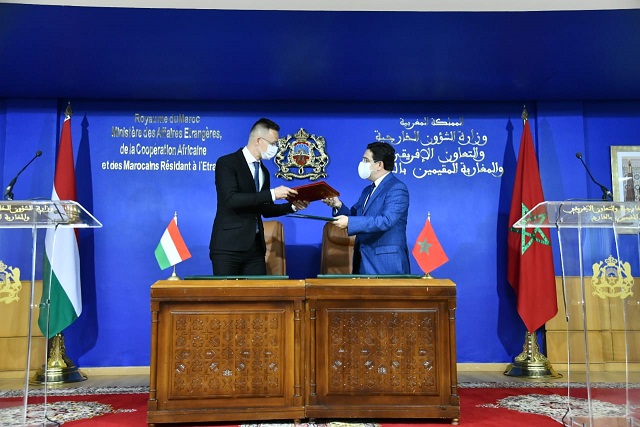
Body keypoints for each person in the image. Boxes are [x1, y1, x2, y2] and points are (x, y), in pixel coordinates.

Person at [209, 118, 308, 276]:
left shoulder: (264, 172)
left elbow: (265, 209)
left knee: (258, 292)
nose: (276, 148)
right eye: (273, 143)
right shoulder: (227, 163)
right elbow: (232, 200)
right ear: (258, 140)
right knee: (226, 292)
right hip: (228, 248)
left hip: (255, 249)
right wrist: (273, 194)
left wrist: (292, 206)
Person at [322, 141, 410, 275]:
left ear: (379, 165)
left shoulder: (397, 188)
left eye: (366, 160)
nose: (362, 164)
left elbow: (386, 220)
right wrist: (338, 205)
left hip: (386, 265)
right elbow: (354, 216)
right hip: (363, 263)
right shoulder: (367, 190)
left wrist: (349, 222)